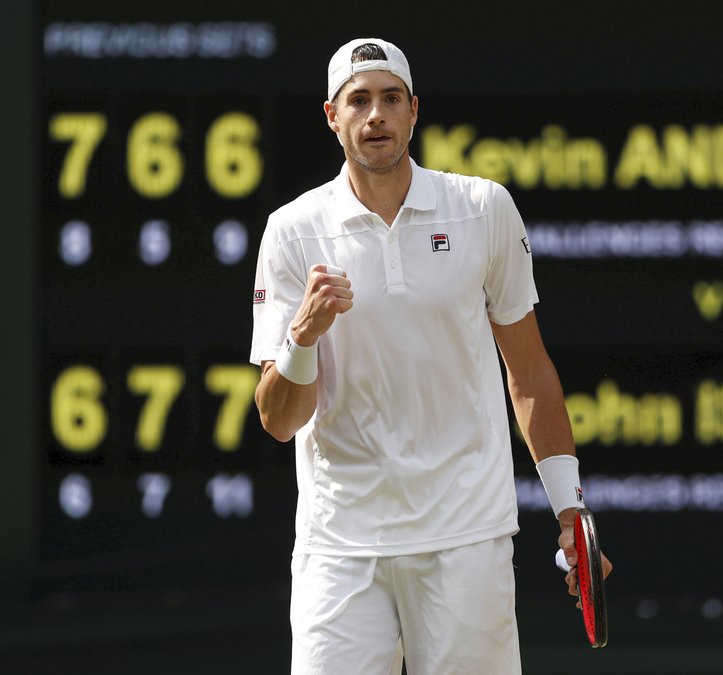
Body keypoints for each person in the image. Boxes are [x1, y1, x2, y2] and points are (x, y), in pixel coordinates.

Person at [250, 37, 611, 674]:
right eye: (358, 101)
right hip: (341, 545)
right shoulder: (291, 231)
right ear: (332, 117)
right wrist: (302, 334)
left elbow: (527, 373)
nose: (376, 116)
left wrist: (570, 511)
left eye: (391, 99)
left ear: (414, 111)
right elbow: (279, 420)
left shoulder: (483, 209)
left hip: (466, 537)